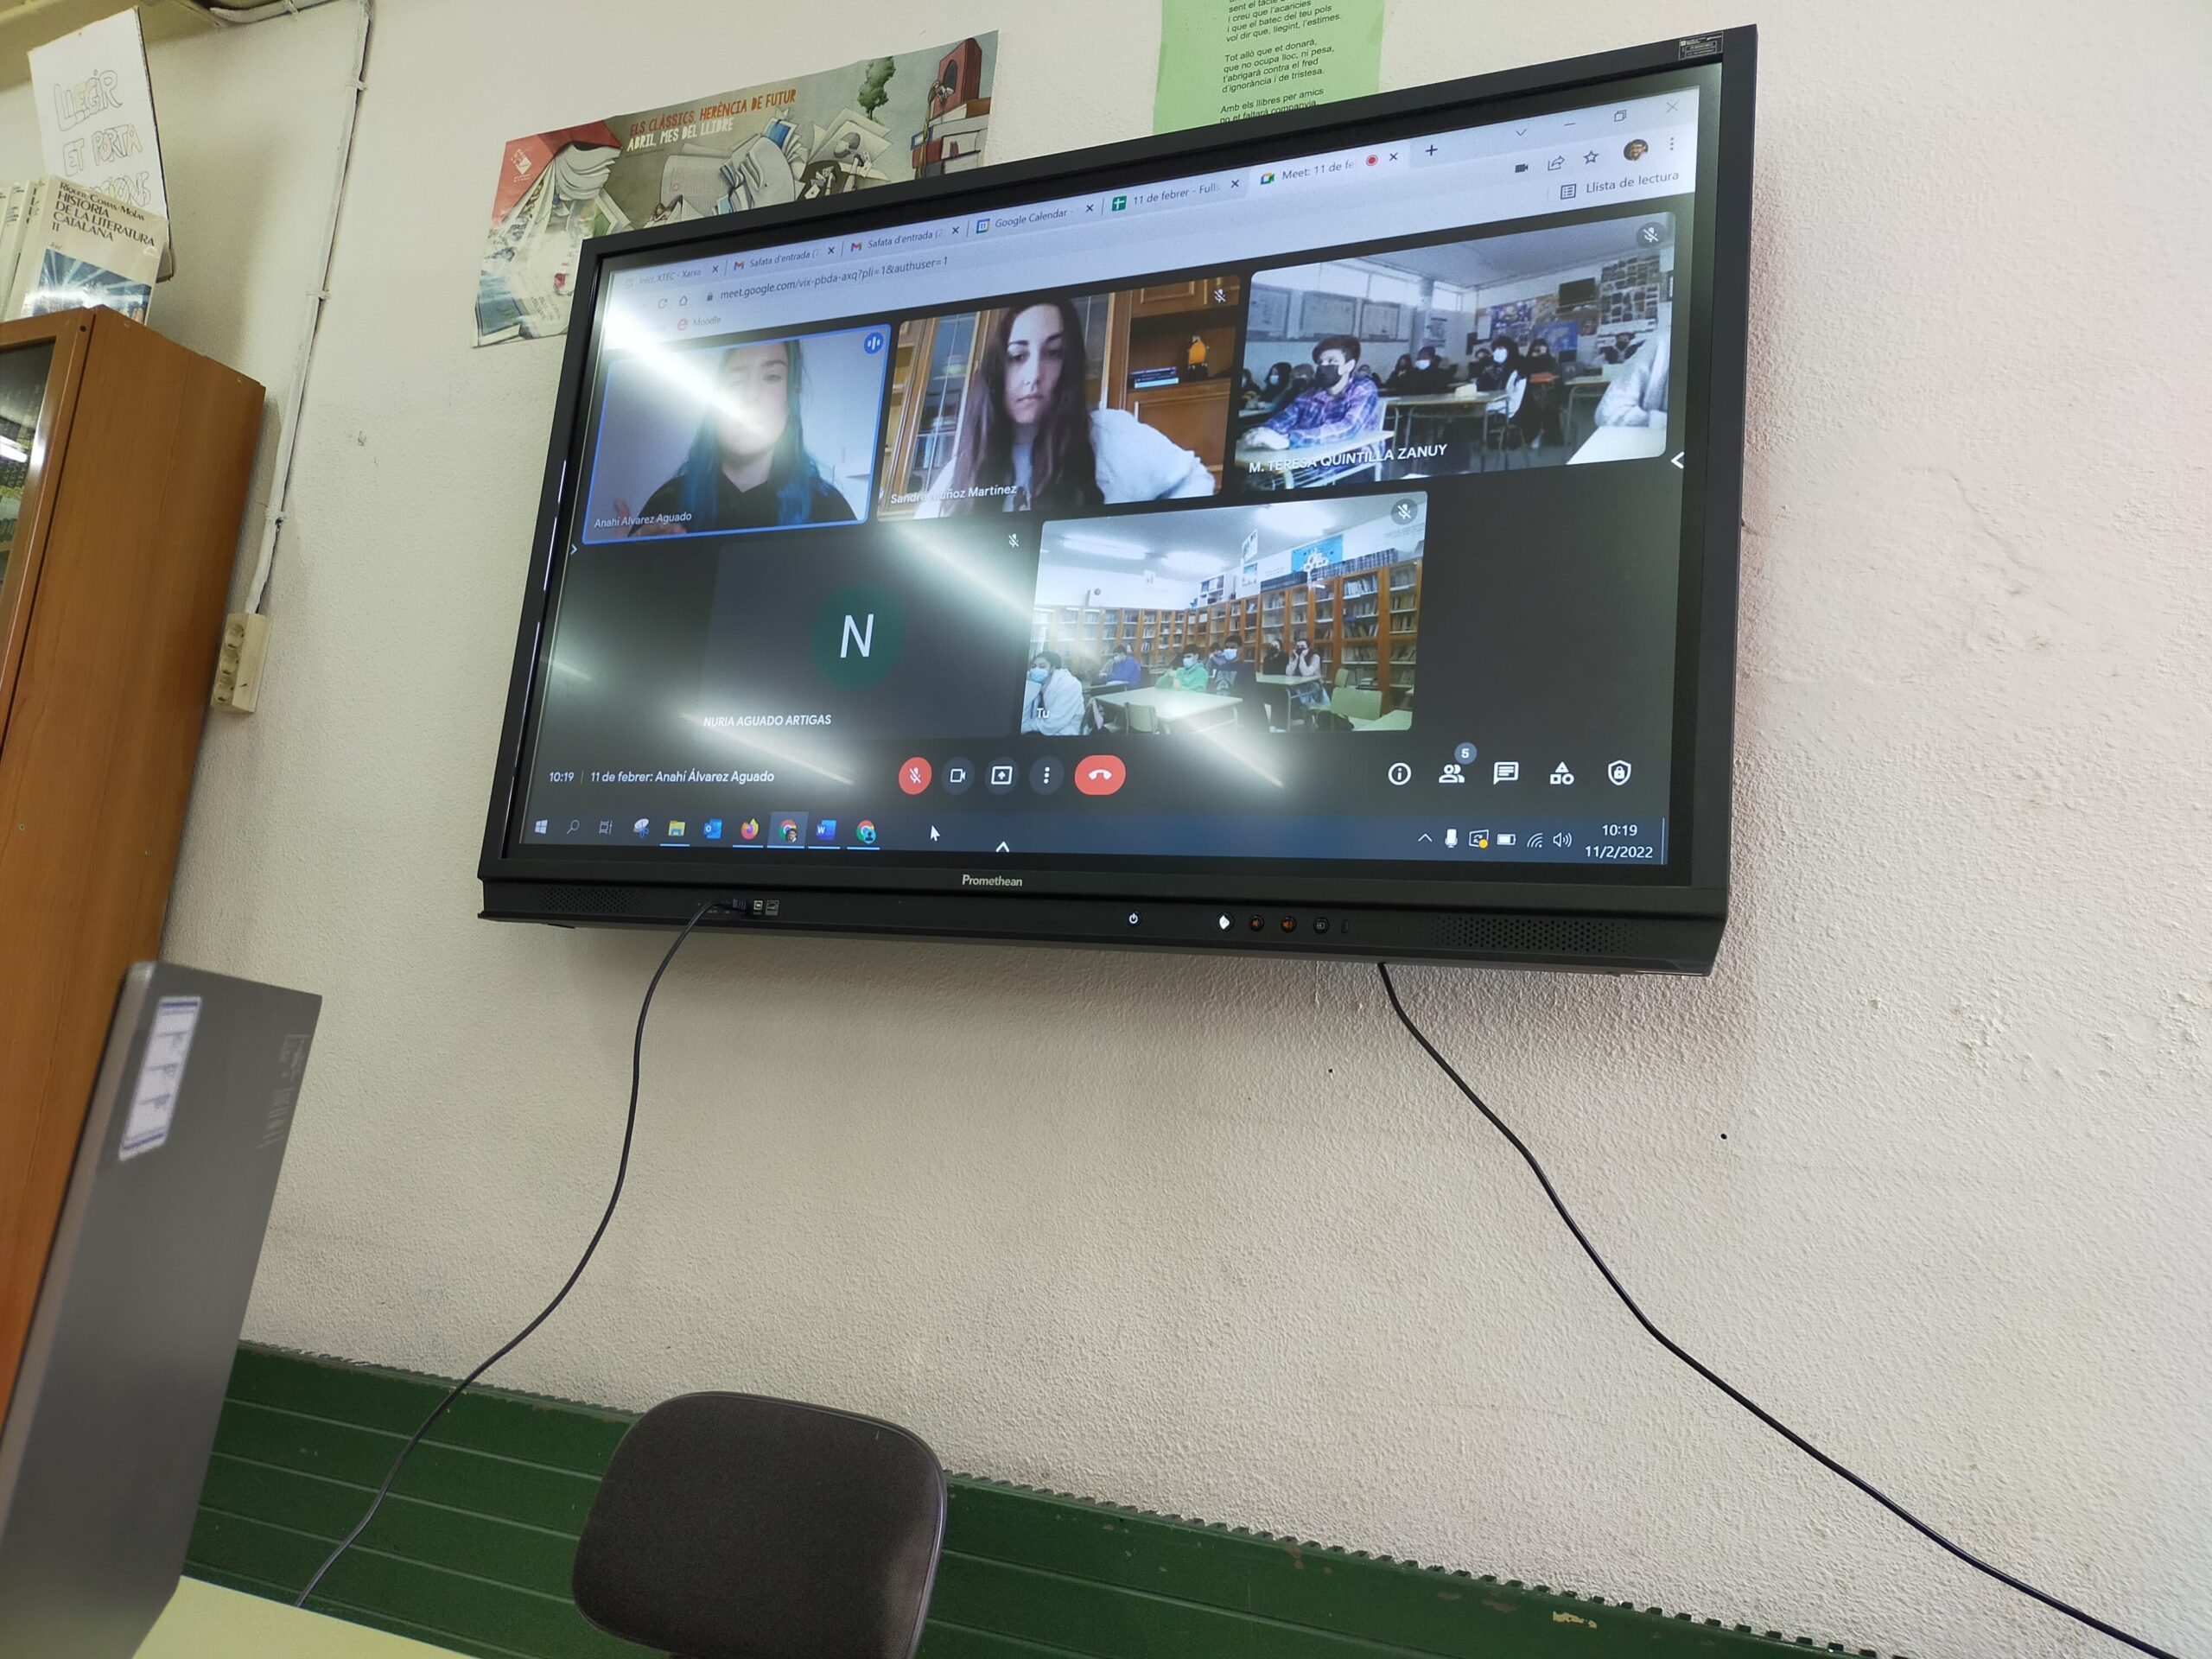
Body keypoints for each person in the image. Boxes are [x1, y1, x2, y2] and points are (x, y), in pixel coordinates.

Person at [918, 296, 1212, 515]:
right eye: (1018, 356)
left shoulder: (1112, 435)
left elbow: (1194, 479)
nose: (1034, 376)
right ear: (997, 368)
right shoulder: (961, 469)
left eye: (1053, 353)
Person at [630, 339, 855, 534]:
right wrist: (626, 555)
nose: (749, 395)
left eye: (771, 377)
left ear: (792, 399)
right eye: (736, 380)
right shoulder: (668, 503)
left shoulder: (829, 509)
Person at [1243, 335, 1383, 450]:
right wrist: (1264, 432)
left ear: (1349, 366)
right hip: (1312, 454)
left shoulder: (1363, 388)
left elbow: (1348, 427)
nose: (1323, 366)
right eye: (1321, 362)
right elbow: (1287, 416)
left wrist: (1288, 440)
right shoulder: (1313, 391)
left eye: (1331, 361)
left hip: (1352, 460)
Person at [1596, 326, 1671, 427]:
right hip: (1620, 380)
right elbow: (1608, 413)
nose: (1623, 340)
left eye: (1626, 338)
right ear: (1616, 339)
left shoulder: (1633, 349)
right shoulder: (1609, 351)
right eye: (1621, 338)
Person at [1020, 650, 1086, 735]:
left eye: (1042, 666)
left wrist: (1024, 727)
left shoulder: (1069, 684)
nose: (1036, 669)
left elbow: (1054, 723)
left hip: (1064, 732)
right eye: (1034, 666)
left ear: (1052, 668)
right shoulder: (1041, 681)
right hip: (1043, 725)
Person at [1516, 336, 1564, 452]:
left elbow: (1553, 373)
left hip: (1549, 391)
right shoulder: (1527, 361)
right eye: (1536, 349)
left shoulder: (1550, 360)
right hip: (1530, 392)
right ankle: (1534, 435)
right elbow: (1525, 375)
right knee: (1532, 403)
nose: (1537, 351)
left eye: (1541, 349)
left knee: (1547, 402)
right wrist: (1534, 360)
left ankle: (1548, 434)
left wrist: (1543, 357)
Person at [1285, 632, 1330, 715]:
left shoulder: (1315, 657)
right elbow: (1288, 672)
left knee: (1294, 693)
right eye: (1298, 647)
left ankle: (1306, 712)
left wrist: (1302, 657)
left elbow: (1306, 673)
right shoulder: (1295, 656)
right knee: (1286, 692)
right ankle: (1293, 714)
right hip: (1299, 684)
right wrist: (1296, 659)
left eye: (1303, 647)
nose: (1300, 649)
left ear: (1308, 648)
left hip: (1313, 685)